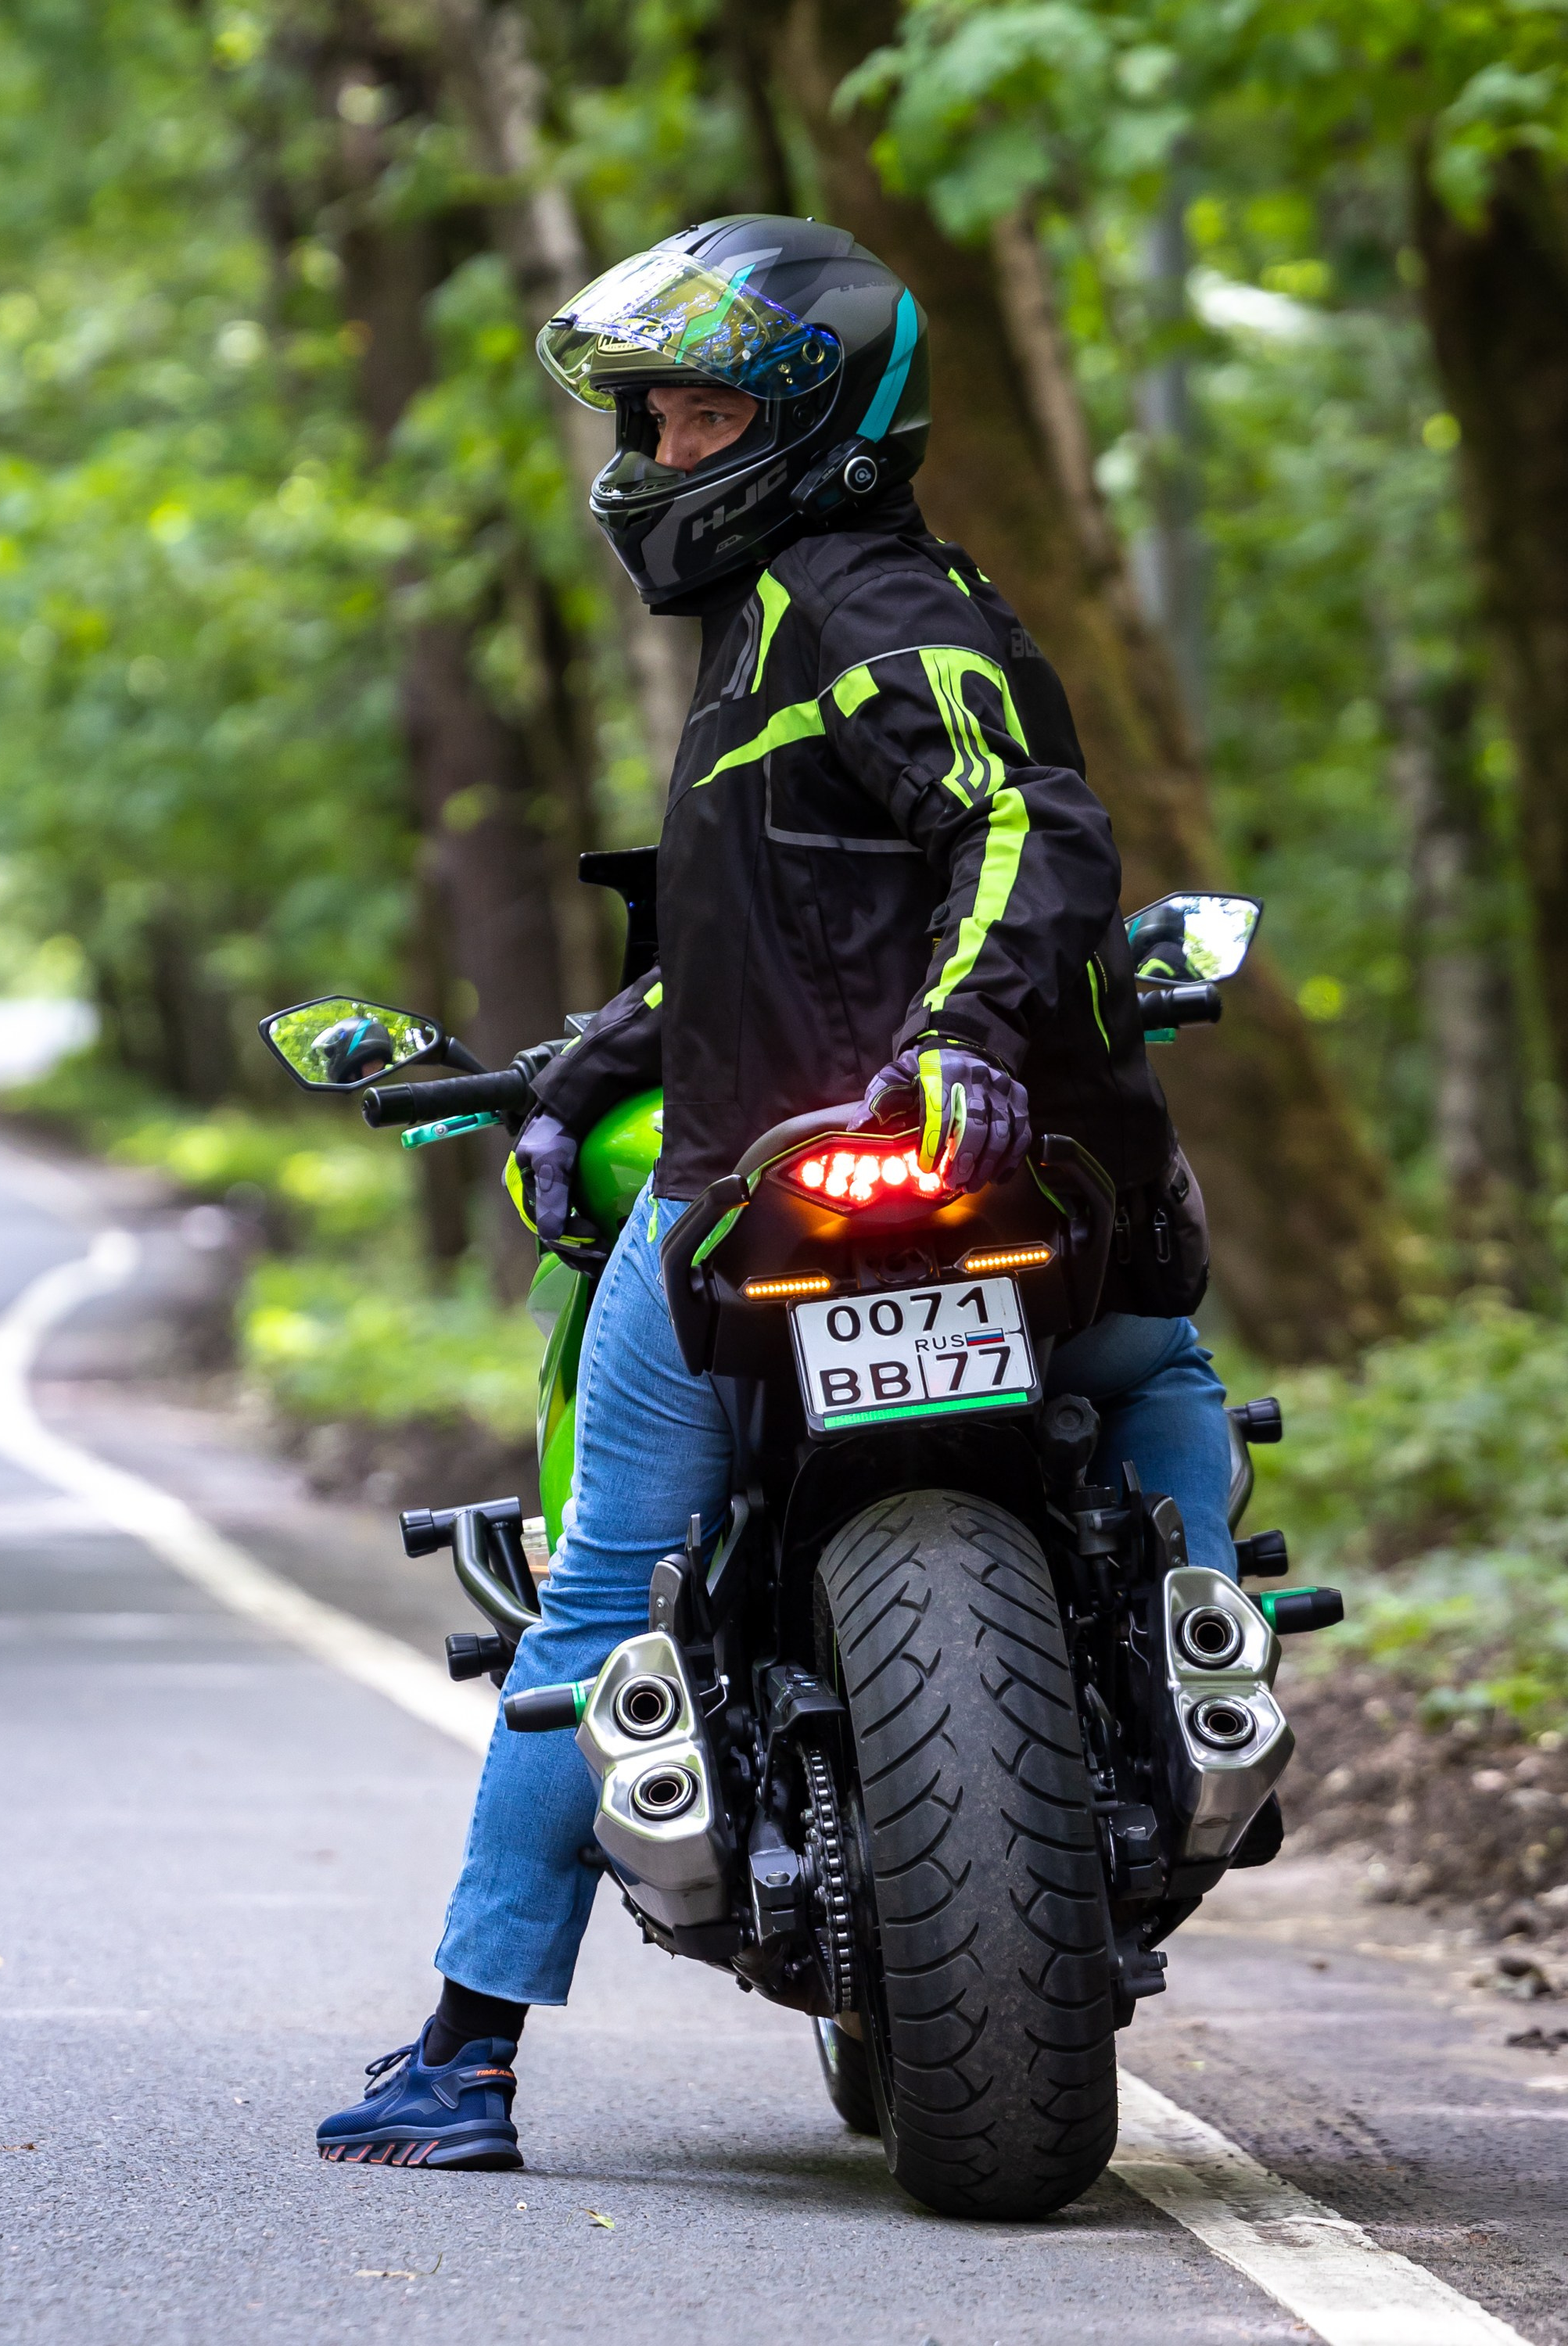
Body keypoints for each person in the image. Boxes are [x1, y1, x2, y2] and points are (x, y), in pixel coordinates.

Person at [315, 215, 1234, 2174]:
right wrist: (586, 1066)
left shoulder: (860, 615)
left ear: (823, 423)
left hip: (788, 1180)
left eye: (704, 415)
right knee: (1161, 1377)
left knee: (595, 1594)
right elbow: (759, 939)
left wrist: (960, 1036)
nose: (660, 452)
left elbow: (1022, 823)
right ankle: (1204, 1648)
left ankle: (466, 2057)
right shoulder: (820, 624)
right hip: (1024, 1181)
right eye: (652, 417)